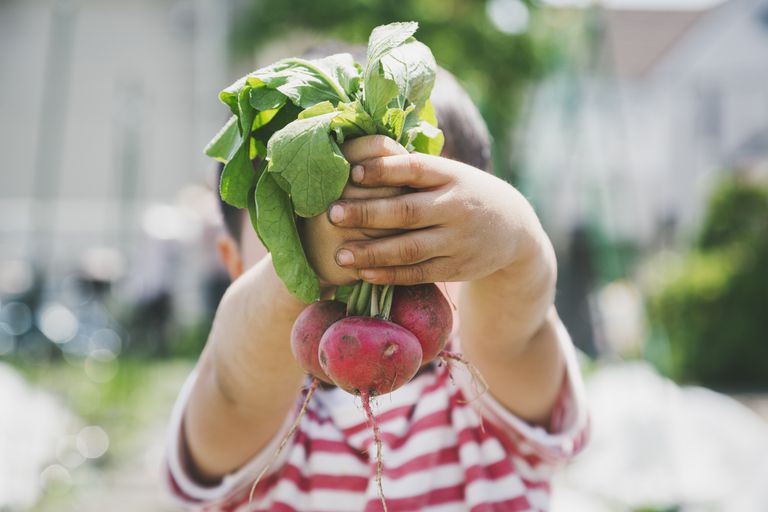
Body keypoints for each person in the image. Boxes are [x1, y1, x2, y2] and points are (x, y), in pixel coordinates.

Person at [163, 67, 589, 511]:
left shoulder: (487, 393)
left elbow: (516, 333)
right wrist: (302, 260)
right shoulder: (254, 420)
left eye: (414, 228)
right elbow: (236, 386)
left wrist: (518, 241)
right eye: (291, 222)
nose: (373, 255)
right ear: (234, 264)